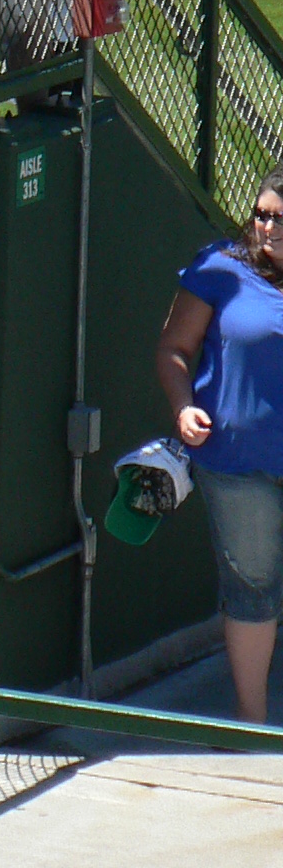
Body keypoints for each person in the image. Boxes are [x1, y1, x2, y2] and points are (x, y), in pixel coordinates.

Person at [155, 175, 283, 725]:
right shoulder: (219, 269)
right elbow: (174, 348)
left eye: (280, 218)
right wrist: (183, 406)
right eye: (261, 215)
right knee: (252, 585)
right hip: (236, 460)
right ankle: (250, 723)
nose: (267, 227)